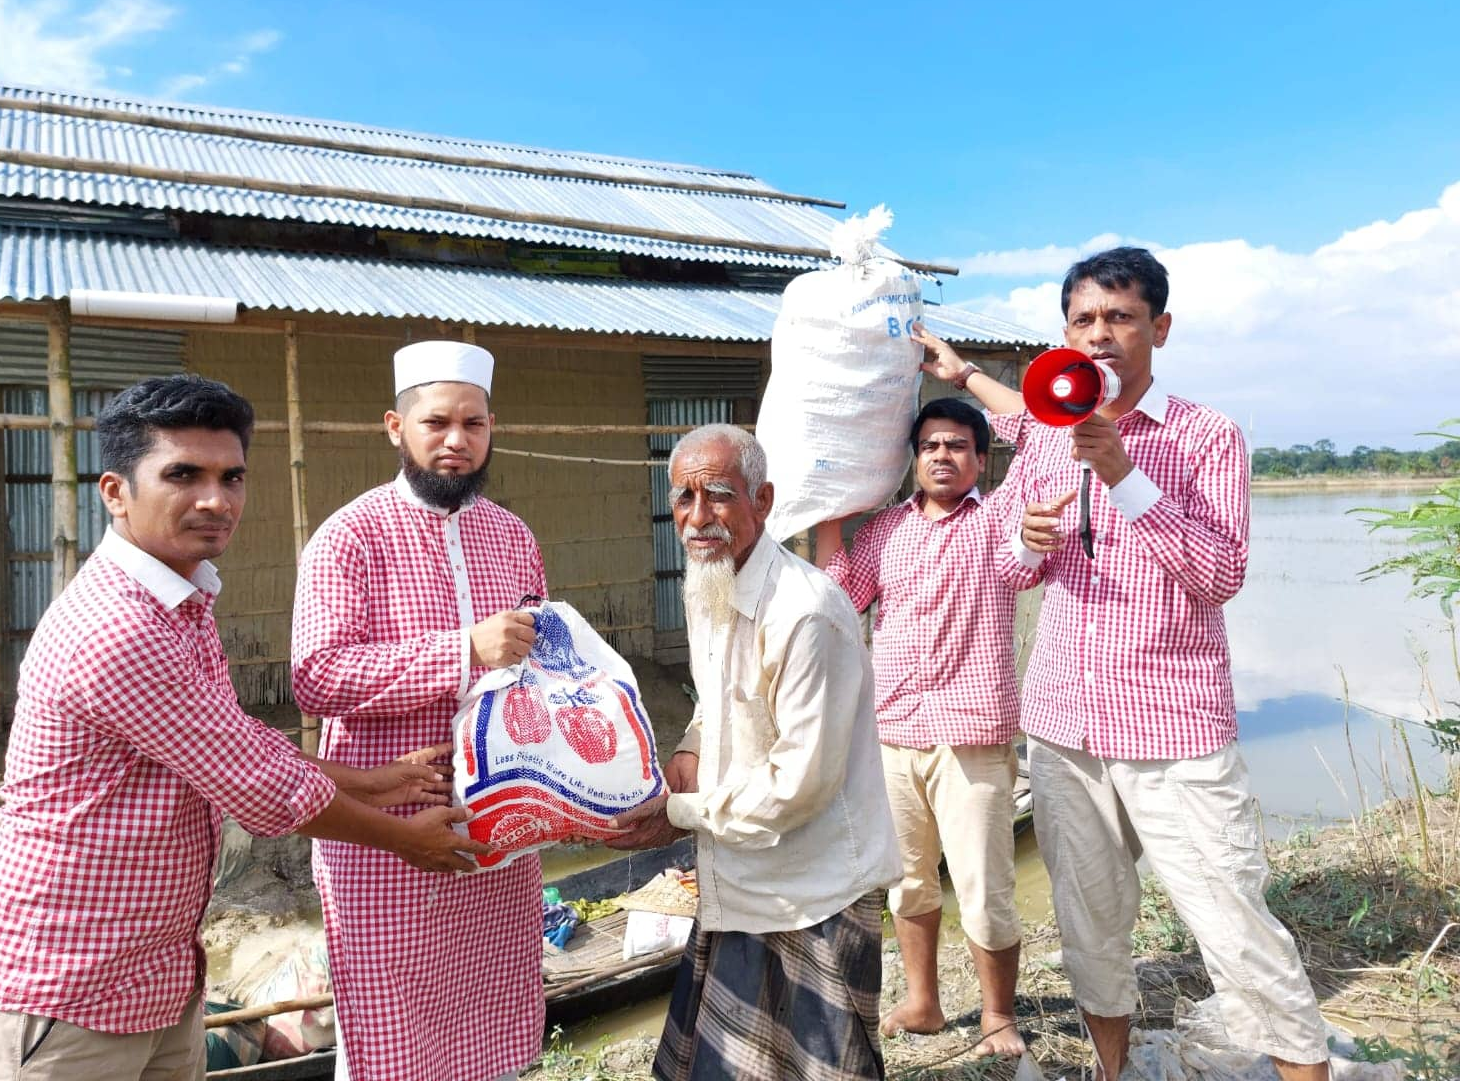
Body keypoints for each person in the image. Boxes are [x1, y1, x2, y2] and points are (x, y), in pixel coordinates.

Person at [0, 374, 485, 1081]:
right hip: (62, 997)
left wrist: (376, 779)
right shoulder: (120, 627)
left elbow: (233, 745)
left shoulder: (182, 598)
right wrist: (404, 837)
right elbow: (262, 788)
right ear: (114, 491)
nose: (215, 499)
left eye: (231, 477)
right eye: (183, 475)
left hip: (158, 985)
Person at [997, 247, 1330, 1081]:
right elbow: (1005, 563)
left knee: (1235, 925)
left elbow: (1218, 576)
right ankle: (1113, 1073)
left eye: (1120, 317)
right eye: (1083, 319)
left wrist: (1122, 472)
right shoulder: (1043, 430)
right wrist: (1023, 541)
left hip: (1172, 726)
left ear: (1160, 328)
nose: (1100, 334)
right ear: (1064, 332)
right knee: (1090, 922)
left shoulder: (1206, 435)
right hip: (1065, 727)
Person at [610, 423, 902, 1081]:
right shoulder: (707, 580)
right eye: (682, 498)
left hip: (817, 886)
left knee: (825, 1068)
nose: (697, 516)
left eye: (717, 494)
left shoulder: (806, 612)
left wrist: (678, 813)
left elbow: (800, 783)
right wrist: (687, 752)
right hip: (739, 872)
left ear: (762, 501)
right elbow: (715, 701)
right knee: (723, 1064)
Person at [291, 341, 547, 1081]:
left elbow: (535, 669)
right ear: (395, 427)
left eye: (473, 423)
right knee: (395, 1038)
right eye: (436, 422)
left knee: (497, 1023)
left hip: (498, 823)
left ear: (492, 427)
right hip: (387, 831)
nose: (456, 441)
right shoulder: (349, 537)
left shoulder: (514, 536)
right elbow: (316, 676)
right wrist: (462, 650)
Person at [814, 348, 1034, 1056]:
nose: (943, 456)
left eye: (958, 447)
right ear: (914, 458)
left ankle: (998, 1015)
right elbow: (841, 606)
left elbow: (1037, 427)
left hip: (972, 735)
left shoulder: (1003, 521)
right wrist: (828, 520)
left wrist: (963, 373)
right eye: (931, 446)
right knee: (907, 884)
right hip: (894, 733)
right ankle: (924, 1003)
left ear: (980, 460)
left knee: (985, 888)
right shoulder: (884, 530)